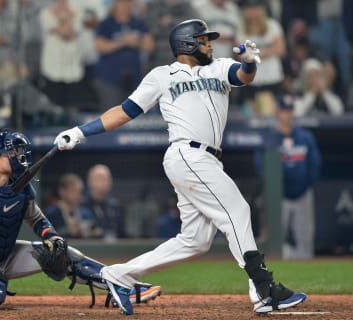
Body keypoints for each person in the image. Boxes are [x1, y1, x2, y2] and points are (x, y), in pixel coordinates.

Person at [53, 19, 306, 316]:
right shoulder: (162, 75)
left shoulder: (219, 66)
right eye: (203, 39)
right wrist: (80, 132)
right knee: (237, 210)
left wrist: (249, 62)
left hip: (206, 158)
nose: (209, 44)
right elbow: (124, 111)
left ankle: (118, 275)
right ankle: (264, 288)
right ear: (186, 43)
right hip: (187, 153)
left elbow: (242, 76)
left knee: (195, 241)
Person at [0, 131, 161, 310]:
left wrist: (53, 237)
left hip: (3, 255)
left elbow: (38, 220)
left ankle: (123, 286)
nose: (17, 155)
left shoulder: (21, 188)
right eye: (9, 152)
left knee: (66, 254)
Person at [271, 94, 321, 259]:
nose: (287, 114)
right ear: (277, 112)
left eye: (289, 110)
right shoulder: (270, 138)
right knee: (275, 247)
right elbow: (262, 168)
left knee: (306, 247)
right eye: (284, 110)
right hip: (279, 198)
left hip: (302, 195)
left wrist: (303, 186)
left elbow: (315, 167)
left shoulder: (305, 137)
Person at [44, 173, 99, 239]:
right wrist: (68, 231)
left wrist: (91, 232)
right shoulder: (51, 214)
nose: (77, 194)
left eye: (79, 191)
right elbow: (48, 236)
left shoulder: (86, 213)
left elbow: (96, 233)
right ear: (62, 191)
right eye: (73, 190)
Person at [82, 164, 126, 241]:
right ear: (89, 181)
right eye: (100, 178)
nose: (105, 182)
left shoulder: (116, 206)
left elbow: (123, 234)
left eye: (108, 178)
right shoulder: (80, 206)